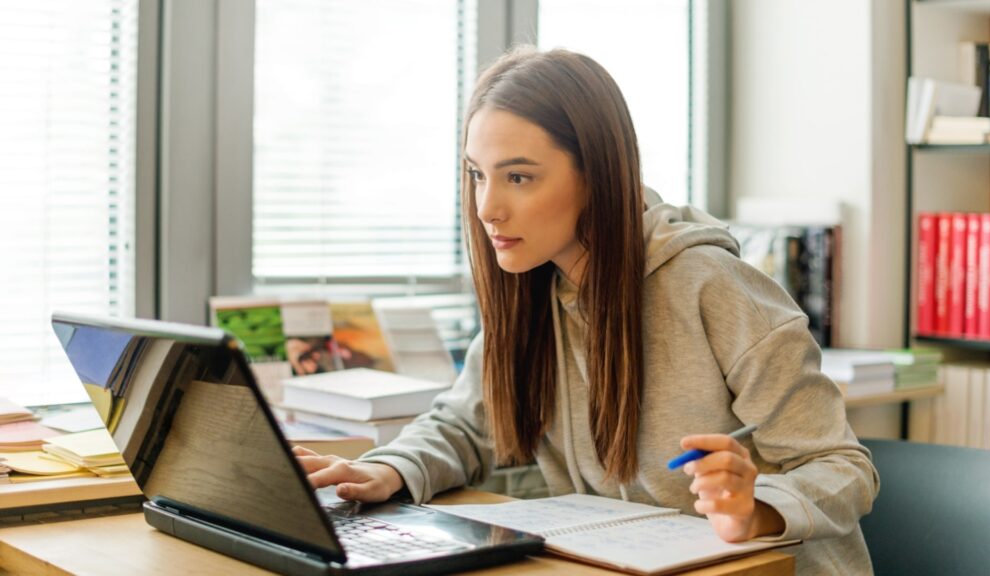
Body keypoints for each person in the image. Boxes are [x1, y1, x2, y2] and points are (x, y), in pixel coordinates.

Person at [292, 47, 879, 574]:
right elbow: (465, 426)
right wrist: (389, 469)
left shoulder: (713, 287)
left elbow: (843, 467)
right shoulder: (532, 289)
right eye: (477, 175)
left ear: (596, 175)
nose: (487, 208)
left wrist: (756, 510)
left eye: (518, 177)